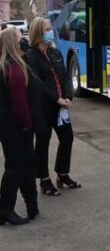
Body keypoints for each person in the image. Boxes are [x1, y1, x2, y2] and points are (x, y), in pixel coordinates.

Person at [27, 17, 81, 196]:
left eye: (50, 28)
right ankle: (44, 179)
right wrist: (56, 99)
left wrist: (67, 96)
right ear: (38, 32)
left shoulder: (55, 52)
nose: (51, 32)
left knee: (67, 138)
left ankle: (62, 173)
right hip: (43, 107)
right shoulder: (31, 55)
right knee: (43, 143)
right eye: (47, 29)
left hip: (60, 107)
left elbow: (64, 76)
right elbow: (37, 83)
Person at [0, 28, 37, 225]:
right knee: (14, 168)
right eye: (19, 38)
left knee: (14, 166)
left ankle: (9, 209)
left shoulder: (4, 65)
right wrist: (27, 124)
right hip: (15, 126)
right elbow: (20, 103)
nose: (23, 39)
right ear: (13, 44)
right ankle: (6, 210)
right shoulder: (14, 68)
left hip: (6, 124)